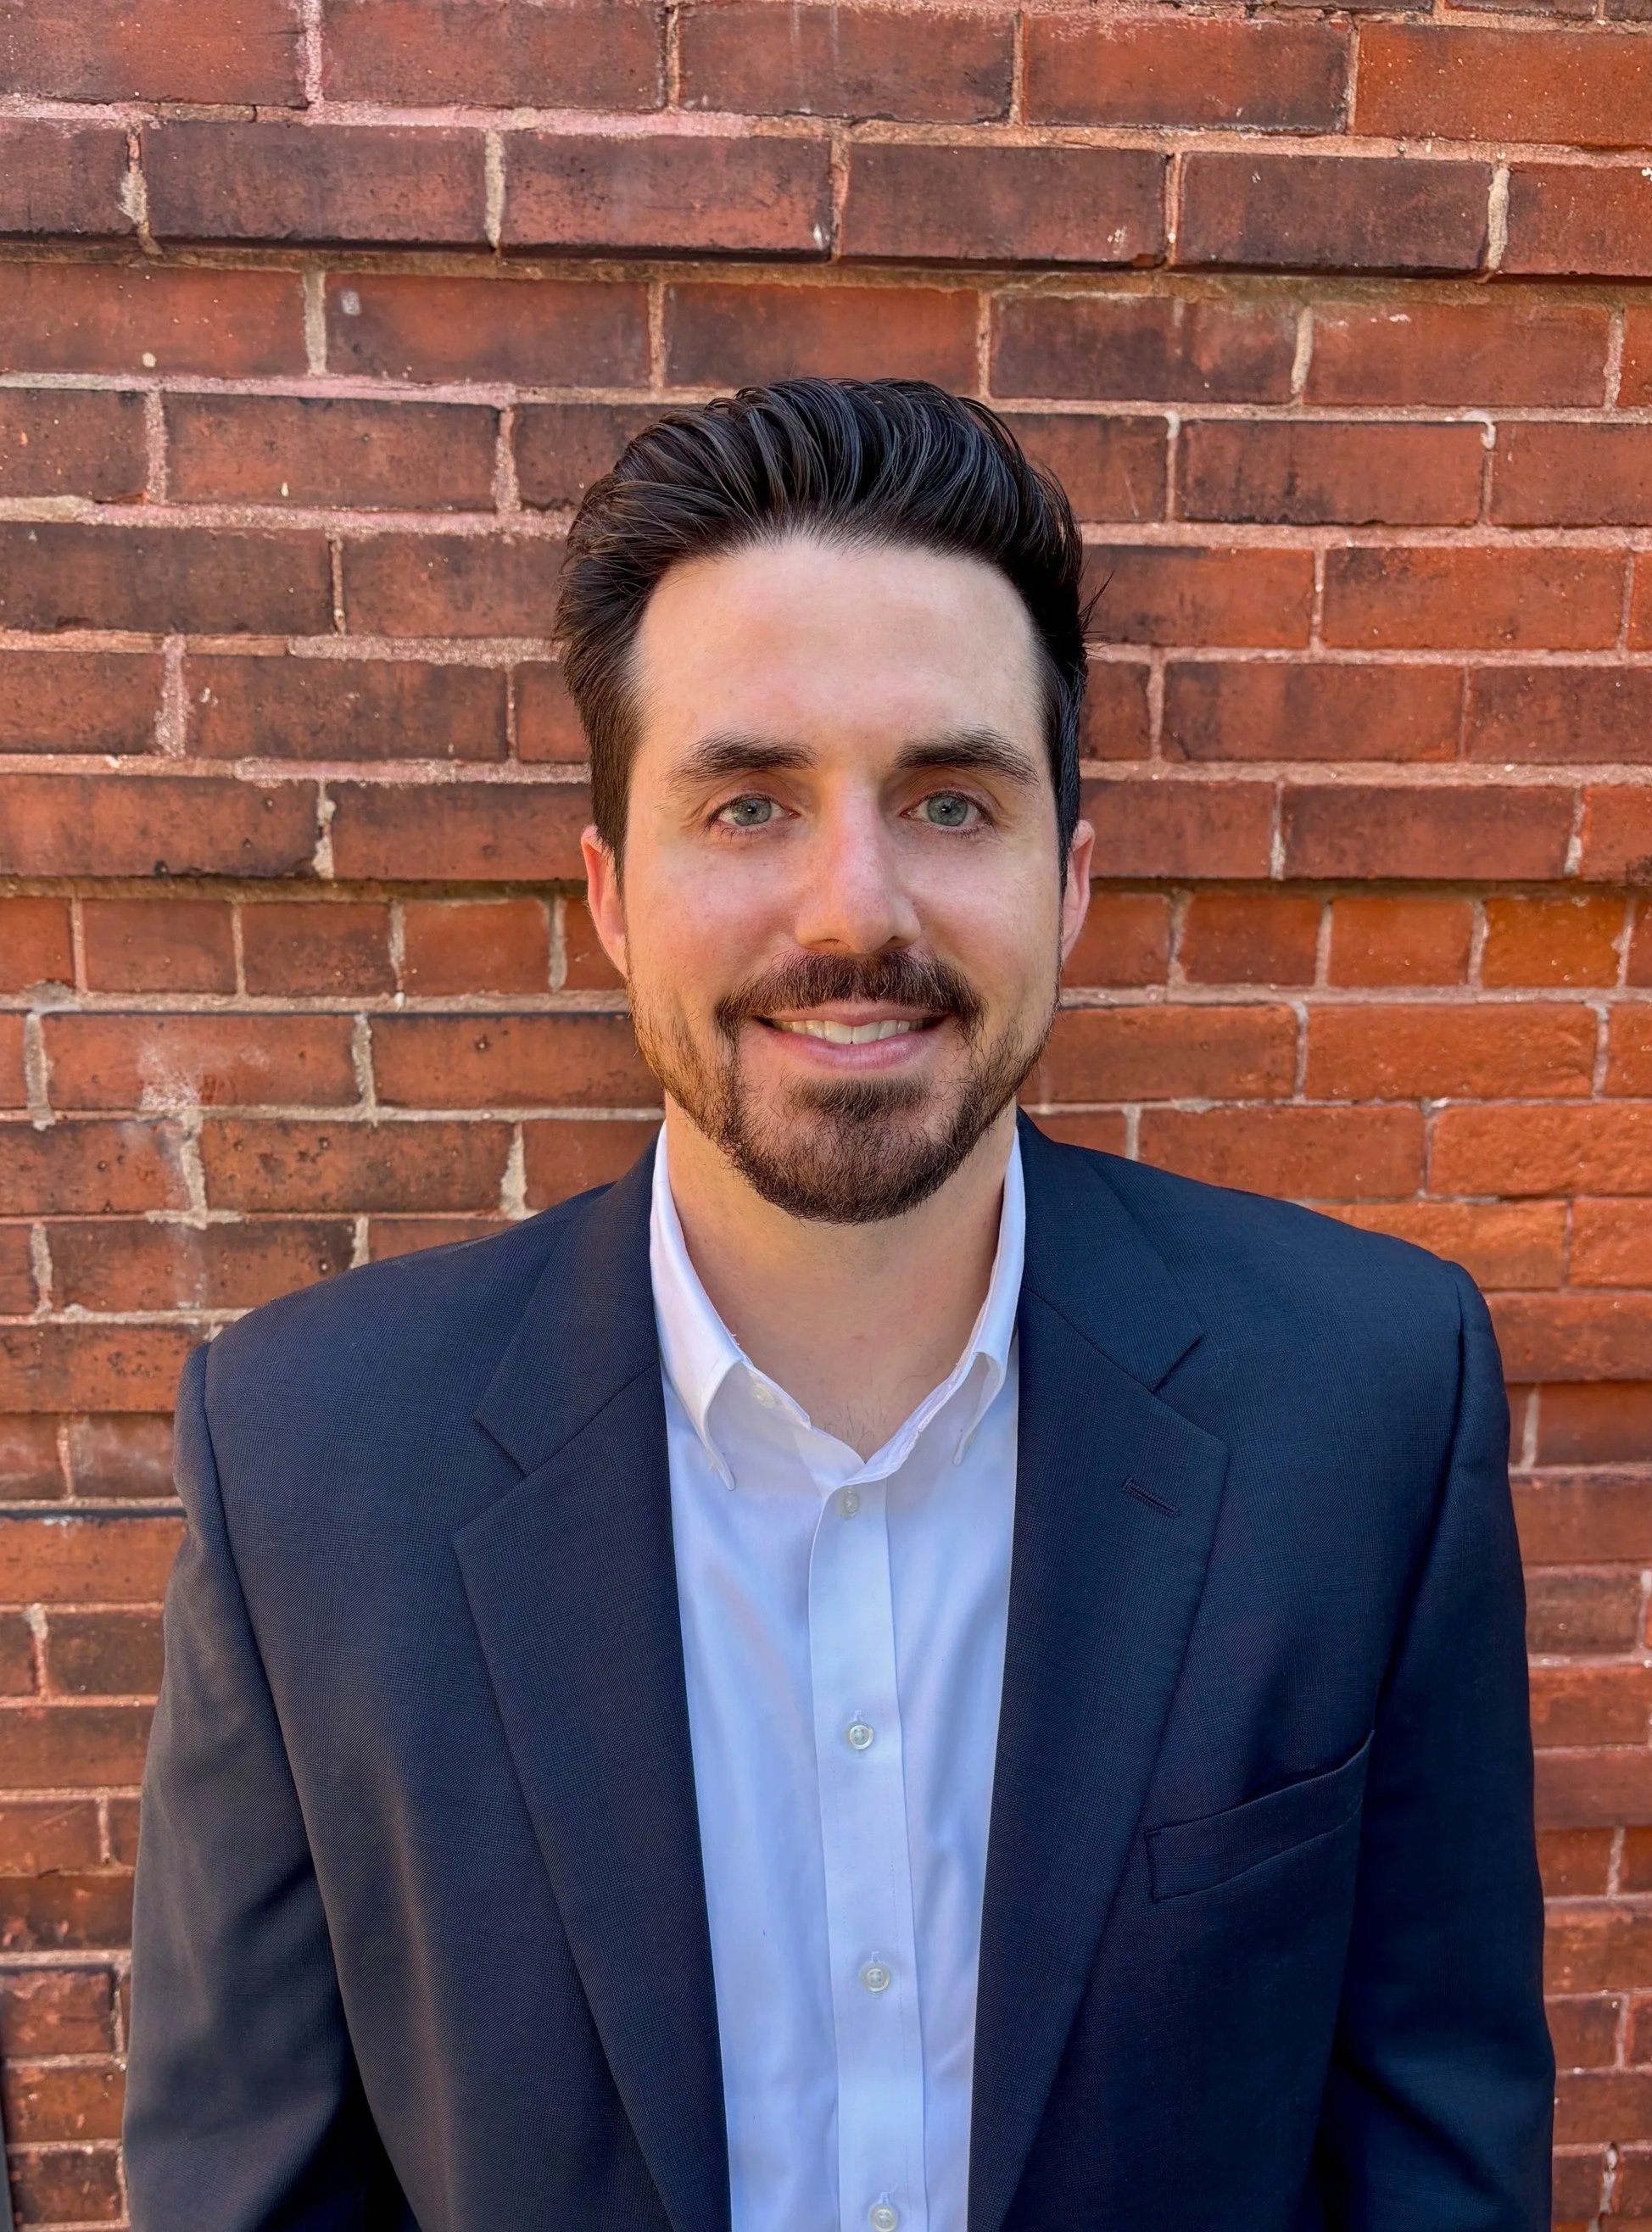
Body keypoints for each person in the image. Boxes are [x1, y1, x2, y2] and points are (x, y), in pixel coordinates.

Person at [124, 378, 1554, 2232]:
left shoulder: (1365, 1404)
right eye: (748, 801)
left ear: (1070, 880)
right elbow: (253, 2187)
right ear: (615, 895)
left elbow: (1435, 2156)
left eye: (950, 797)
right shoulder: (310, 1465)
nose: (850, 904)